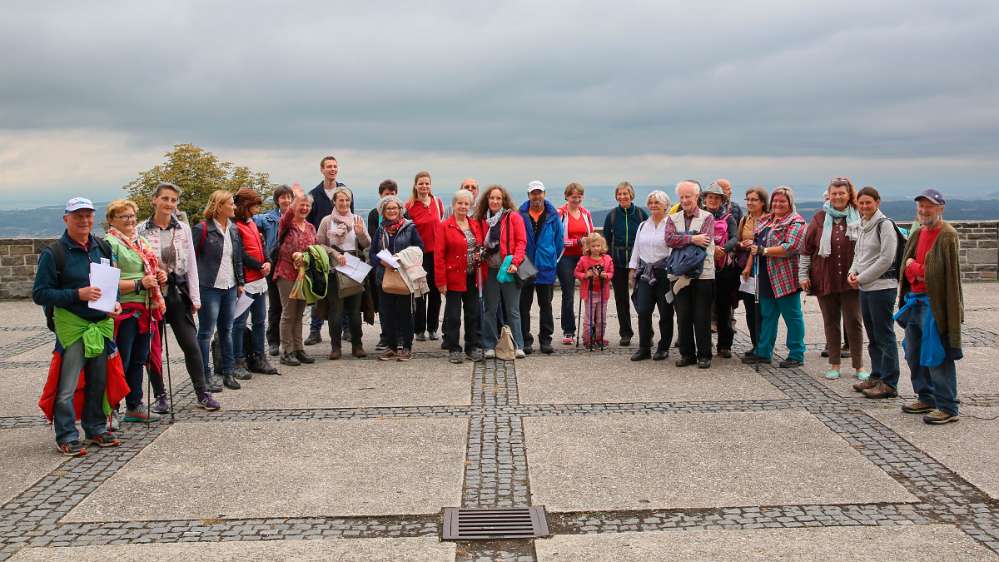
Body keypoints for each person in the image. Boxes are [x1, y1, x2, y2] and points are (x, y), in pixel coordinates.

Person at [33, 197, 122, 456]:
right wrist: (77, 294)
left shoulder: (102, 248)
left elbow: (110, 286)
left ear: (94, 217)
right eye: (78, 216)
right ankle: (67, 435)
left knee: (98, 381)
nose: (84, 220)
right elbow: (40, 294)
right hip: (73, 326)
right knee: (68, 385)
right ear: (66, 219)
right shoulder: (54, 253)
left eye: (88, 215)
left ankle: (94, 429)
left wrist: (114, 304)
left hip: (101, 324)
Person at [138, 183, 221, 409]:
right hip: (152, 294)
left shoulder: (182, 228)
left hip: (177, 292)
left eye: (173, 200)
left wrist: (195, 297)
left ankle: (202, 392)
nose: (169, 204)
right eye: (165, 199)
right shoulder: (141, 230)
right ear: (155, 200)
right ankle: (160, 396)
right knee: (154, 349)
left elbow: (192, 264)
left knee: (191, 345)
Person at [895, 189, 964, 424]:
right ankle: (926, 396)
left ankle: (947, 406)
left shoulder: (947, 235)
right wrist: (915, 269)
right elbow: (905, 265)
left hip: (936, 305)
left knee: (937, 355)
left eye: (929, 206)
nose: (924, 211)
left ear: (941, 208)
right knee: (914, 353)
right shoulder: (918, 232)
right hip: (914, 302)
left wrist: (916, 268)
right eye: (921, 207)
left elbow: (938, 274)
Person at [104, 200, 166, 423]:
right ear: (111, 220)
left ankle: (135, 404)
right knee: (122, 359)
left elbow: (152, 267)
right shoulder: (109, 244)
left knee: (139, 359)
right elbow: (107, 282)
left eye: (132, 216)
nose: (130, 220)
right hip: (124, 309)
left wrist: (159, 275)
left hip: (146, 308)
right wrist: (141, 283)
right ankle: (113, 407)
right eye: (124, 217)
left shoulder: (139, 241)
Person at [800, 177, 867, 380]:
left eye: (842, 193)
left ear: (849, 195)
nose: (838, 197)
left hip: (851, 280)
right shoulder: (820, 218)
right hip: (825, 278)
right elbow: (806, 249)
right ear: (829, 195)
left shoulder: (859, 217)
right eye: (834, 193)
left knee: (854, 321)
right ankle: (834, 364)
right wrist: (803, 275)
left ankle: (859, 366)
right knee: (831, 322)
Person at [742, 186, 807, 368]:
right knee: (768, 315)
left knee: (792, 316)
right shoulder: (766, 219)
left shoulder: (796, 222)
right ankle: (764, 352)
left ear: (790, 203)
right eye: (775, 201)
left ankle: (796, 354)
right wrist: (753, 247)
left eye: (782, 201)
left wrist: (764, 250)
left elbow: (791, 247)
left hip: (785, 277)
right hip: (764, 274)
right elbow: (758, 242)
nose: (778, 204)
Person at [848, 187, 902, 399]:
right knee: (872, 336)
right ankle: (877, 375)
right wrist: (853, 272)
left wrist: (861, 278)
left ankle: (889, 382)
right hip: (866, 288)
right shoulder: (862, 225)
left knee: (884, 335)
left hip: (882, 288)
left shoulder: (884, 225)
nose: (864, 207)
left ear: (877, 202)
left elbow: (886, 259)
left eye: (868, 203)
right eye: (861, 203)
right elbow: (858, 254)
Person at [193, 191, 245, 391]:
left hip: (230, 286)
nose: (234, 207)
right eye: (231, 204)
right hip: (209, 287)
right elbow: (192, 259)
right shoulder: (202, 229)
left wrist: (240, 282)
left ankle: (228, 373)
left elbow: (237, 258)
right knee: (205, 333)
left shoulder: (233, 229)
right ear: (219, 206)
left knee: (227, 330)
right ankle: (204, 376)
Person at [666, 180, 716, 369]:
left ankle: (704, 355)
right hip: (679, 275)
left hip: (702, 274)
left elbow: (705, 242)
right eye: (682, 197)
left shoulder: (707, 217)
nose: (685, 200)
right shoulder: (673, 218)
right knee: (683, 315)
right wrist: (692, 238)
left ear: (697, 197)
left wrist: (684, 240)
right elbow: (669, 239)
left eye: (689, 196)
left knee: (702, 316)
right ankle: (687, 354)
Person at [317, 186, 370, 359]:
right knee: (336, 311)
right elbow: (319, 244)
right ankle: (335, 347)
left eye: (347, 200)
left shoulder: (356, 219)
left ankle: (357, 345)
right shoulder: (327, 221)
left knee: (355, 311)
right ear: (334, 202)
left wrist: (361, 234)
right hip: (334, 268)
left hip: (354, 266)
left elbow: (366, 243)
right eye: (341, 200)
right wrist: (334, 253)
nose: (344, 203)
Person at [475, 185, 528, 359]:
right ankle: (489, 344)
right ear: (487, 200)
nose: (495, 201)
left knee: (513, 309)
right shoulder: (482, 219)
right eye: (492, 198)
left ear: (504, 200)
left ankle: (518, 344)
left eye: (498, 198)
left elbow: (521, 242)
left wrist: (515, 261)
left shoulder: (513, 217)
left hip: (509, 268)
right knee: (490, 308)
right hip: (489, 269)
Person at [370, 195, 423, 361]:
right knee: (387, 313)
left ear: (400, 210)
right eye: (388, 209)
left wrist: (401, 257)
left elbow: (420, 248)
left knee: (405, 313)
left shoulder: (410, 228)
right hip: (384, 277)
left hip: (404, 276)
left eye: (395, 208)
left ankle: (406, 346)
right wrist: (381, 261)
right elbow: (371, 253)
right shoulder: (380, 230)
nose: (392, 211)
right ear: (383, 212)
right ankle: (391, 346)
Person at [232, 188, 279, 377]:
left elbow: (261, 244)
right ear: (245, 206)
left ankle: (259, 356)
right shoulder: (234, 226)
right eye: (255, 205)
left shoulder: (252, 223)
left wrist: (267, 261)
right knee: (240, 323)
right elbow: (240, 253)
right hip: (246, 280)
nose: (258, 208)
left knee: (260, 321)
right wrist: (260, 265)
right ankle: (238, 359)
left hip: (259, 280)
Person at [435, 190, 485, 363]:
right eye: (460, 203)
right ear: (454, 205)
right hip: (453, 277)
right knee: (453, 316)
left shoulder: (475, 224)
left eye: (466, 203)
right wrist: (441, 281)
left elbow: (480, 245)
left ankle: (472, 346)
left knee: (473, 313)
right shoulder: (444, 226)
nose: (463, 206)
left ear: (470, 205)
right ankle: (453, 348)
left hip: (472, 276)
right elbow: (439, 255)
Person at [305, 155, 348, 345]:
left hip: (343, 248)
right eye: (329, 166)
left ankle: (346, 329)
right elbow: (310, 222)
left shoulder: (344, 191)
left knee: (344, 289)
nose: (332, 169)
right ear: (322, 169)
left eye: (335, 166)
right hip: (321, 248)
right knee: (320, 290)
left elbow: (350, 216)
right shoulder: (314, 194)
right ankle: (315, 330)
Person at [517, 181, 563, 355]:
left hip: (546, 265)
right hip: (525, 264)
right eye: (533, 193)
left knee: (546, 304)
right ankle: (525, 339)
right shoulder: (520, 214)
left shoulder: (553, 215)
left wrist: (550, 255)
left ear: (544, 194)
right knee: (524, 305)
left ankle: (545, 339)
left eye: (539, 193)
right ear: (528, 195)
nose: (536, 196)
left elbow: (559, 241)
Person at [629, 191, 674, 361]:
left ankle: (663, 347)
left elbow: (673, 249)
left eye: (657, 202)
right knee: (643, 310)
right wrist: (632, 270)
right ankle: (644, 347)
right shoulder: (643, 225)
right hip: (645, 273)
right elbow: (637, 249)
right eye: (651, 202)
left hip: (664, 273)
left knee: (665, 312)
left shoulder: (670, 225)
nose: (653, 205)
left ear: (665, 205)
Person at [274, 194, 318, 366]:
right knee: (288, 313)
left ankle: (299, 349)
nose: (305, 208)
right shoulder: (286, 224)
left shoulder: (310, 227)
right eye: (301, 205)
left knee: (299, 314)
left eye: (307, 205)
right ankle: (287, 351)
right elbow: (287, 215)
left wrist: (306, 257)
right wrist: (295, 200)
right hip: (286, 273)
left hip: (303, 275)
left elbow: (314, 249)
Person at [603, 181, 647, 346]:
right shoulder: (612, 216)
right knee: (621, 299)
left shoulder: (641, 214)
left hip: (639, 263)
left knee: (644, 299)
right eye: (619, 194)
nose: (622, 196)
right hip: (618, 263)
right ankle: (626, 333)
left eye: (625, 193)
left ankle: (646, 333)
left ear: (631, 195)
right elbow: (606, 240)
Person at [405, 171, 445, 342]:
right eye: (421, 183)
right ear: (415, 185)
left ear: (431, 185)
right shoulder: (409, 206)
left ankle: (433, 327)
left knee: (436, 292)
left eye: (427, 183)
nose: (424, 186)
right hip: (419, 255)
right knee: (420, 292)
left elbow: (440, 221)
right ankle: (419, 329)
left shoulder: (437, 202)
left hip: (436, 253)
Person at [254, 184, 294, 357]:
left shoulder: (297, 217)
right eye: (282, 197)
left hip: (293, 264)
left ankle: (291, 341)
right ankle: (273, 341)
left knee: (292, 306)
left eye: (288, 197)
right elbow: (248, 221)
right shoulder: (268, 218)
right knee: (276, 305)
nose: (286, 200)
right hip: (274, 264)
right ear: (277, 200)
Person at [703, 182, 739, 358]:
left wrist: (722, 249)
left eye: (716, 198)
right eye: (710, 197)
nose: (713, 200)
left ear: (722, 200)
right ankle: (704, 344)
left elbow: (735, 238)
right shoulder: (699, 216)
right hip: (702, 268)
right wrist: (712, 248)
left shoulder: (728, 218)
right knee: (703, 308)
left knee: (724, 308)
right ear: (705, 199)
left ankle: (725, 345)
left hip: (724, 269)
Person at [556, 182, 595, 345]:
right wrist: (578, 242)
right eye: (573, 196)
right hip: (565, 257)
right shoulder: (560, 213)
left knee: (590, 293)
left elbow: (592, 234)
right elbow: (558, 239)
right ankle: (569, 330)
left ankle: (591, 328)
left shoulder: (586, 213)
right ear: (567, 197)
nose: (576, 199)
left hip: (584, 257)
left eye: (579, 196)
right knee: (568, 294)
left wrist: (590, 245)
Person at [737, 186, 769, 355]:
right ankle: (755, 344)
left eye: (754, 199)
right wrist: (742, 245)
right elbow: (737, 241)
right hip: (746, 269)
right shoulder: (744, 220)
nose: (750, 202)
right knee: (750, 309)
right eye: (747, 199)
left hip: (763, 268)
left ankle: (764, 347)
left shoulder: (770, 220)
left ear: (763, 202)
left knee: (763, 310)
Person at [368, 180, 399, 351]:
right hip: (381, 264)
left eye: (392, 194)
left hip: (399, 264)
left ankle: (400, 335)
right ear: (381, 196)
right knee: (383, 304)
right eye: (386, 194)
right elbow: (373, 239)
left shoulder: (403, 215)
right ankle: (385, 336)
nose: (389, 198)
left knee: (399, 302)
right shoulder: (374, 214)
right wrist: (383, 259)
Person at [575, 232, 614, 348]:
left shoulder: (607, 259)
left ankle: (599, 338)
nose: (596, 248)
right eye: (593, 246)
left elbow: (612, 272)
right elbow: (576, 272)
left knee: (601, 318)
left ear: (602, 246)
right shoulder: (583, 260)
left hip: (603, 293)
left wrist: (606, 275)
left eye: (598, 246)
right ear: (588, 247)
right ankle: (587, 339)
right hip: (589, 292)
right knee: (589, 319)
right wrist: (585, 275)